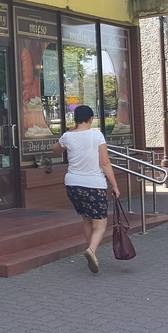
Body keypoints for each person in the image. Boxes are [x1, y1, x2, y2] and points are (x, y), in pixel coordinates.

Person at [52, 105, 120, 274]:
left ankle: (93, 254)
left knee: (87, 219)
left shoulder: (68, 136)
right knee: (101, 223)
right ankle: (91, 250)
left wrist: (69, 133)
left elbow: (55, 149)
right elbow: (105, 162)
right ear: (91, 119)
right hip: (94, 185)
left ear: (75, 119)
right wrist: (114, 185)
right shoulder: (97, 136)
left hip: (73, 185)